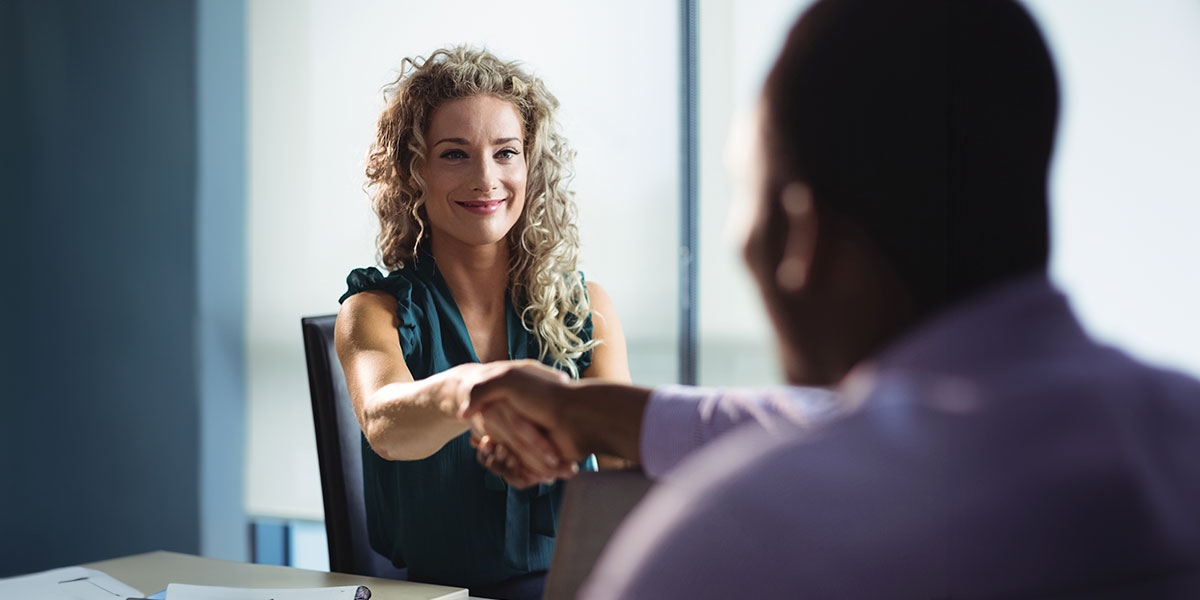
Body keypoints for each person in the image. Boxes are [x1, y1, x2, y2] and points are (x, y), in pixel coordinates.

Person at [462, 0, 1200, 597]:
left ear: (800, 235)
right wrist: (583, 410)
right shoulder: (1176, 434)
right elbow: (826, 420)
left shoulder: (734, 544)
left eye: (743, 194)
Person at [334, 46, 631, 599]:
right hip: (428, 594)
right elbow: (385, 424)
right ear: (413, 171)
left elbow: (622, 469)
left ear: (530, 165)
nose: (485, 178)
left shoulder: (586, 306)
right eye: (454, 154)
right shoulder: (373, 311)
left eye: (505, 153)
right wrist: (481, 391)